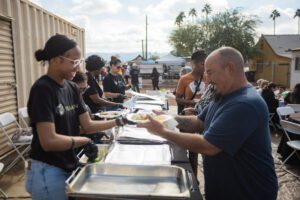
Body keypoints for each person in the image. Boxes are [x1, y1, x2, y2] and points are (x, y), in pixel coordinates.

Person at [138, 47, 278, 199]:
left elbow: (208, 146)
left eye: (210, 72)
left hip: (248, 193)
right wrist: (165, 117)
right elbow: (198, 122)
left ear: (230, 68)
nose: (207, 79)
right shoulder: (223, 94)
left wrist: (162, 131)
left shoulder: (245, 103)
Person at [25, 34, 129, 200]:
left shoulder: (72, 88)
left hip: (68, 162)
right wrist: (84, 141)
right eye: (74, 62)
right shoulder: (42, 89)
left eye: (79, 62)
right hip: (48, 169)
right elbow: (49, 141)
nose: (77, 68)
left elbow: (87, 124)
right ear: (57, 59)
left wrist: (120, 120)